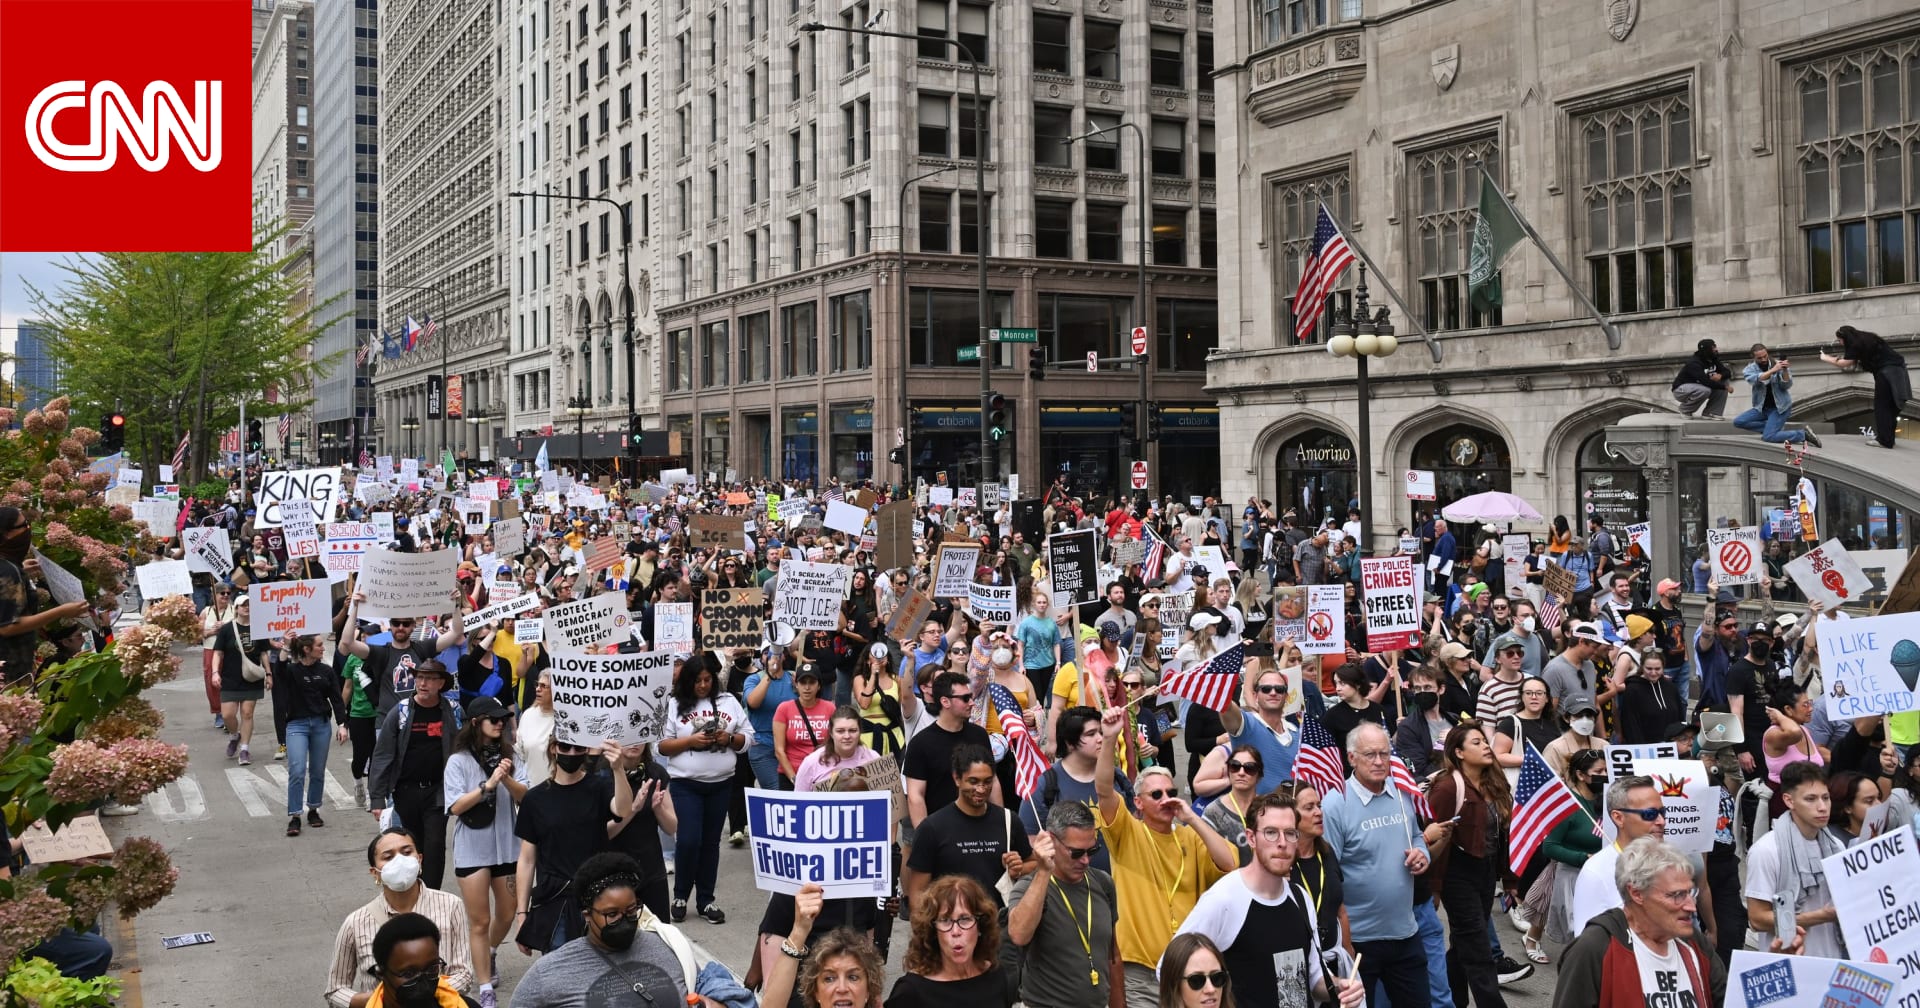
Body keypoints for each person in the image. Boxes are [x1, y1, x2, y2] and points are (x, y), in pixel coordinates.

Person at [1094, 705, 1238, 1008]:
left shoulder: (1189, 835)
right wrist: (1109, 740)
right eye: (1156, 795)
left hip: (1187, 972)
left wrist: (1192, 817)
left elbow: (1230, 864)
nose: (1165, 799)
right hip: (1141, 973)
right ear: (1138, 802)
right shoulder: (1128, 832)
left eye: (1170, 791)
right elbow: (1104, 791)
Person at [1174, 792, 1365, 1008]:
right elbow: (1169, 969)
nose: (1282, 843)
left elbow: (1312, 980)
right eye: (1271, 833)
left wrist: (1340, 987)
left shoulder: (1300, 898)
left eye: (1290, 833)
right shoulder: (1224, 898)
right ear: (1251, 838)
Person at [511, 851, 746, 1008]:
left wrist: (715, 1002)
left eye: (631, 911)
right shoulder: (551, 971)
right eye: (611, 914)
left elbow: (702, 986)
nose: (624, 920)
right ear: (587, 915)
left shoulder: (667, 945)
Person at [1320, 722, 1431, 1008]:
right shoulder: (1335, 803)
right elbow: (1329, 873)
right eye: (1370, 754)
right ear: (1352, 757)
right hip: (1358, 940)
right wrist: (1343, 941)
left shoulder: (1402, 791)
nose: (1380, 761)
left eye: (1385, 753)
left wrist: (1422, 855)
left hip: (1405, 932)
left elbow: (1417, 836)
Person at [1553, 838, 1732, 1008]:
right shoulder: (1594, 948)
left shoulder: (1694, 943)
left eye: (1690, 893)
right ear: (1637, 894)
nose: (1692, 907)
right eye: (1677, 895)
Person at [326, 828, 476, 1008]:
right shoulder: (356, 923)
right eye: (388, 857)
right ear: (375, 873)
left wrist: (422, 992)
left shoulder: (451, 905)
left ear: (419, 859)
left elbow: (463, 973)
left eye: (406, 852)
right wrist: (382, 998)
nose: (399, 861)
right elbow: (335, 990)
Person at [513, 738, 636, 954]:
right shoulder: (534, 799)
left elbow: (624, 809)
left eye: (578, 747)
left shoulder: (599, 787)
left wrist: (618, 769)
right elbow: (526, 859)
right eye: (565, 746)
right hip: (556, 902)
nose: (571, 753)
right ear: (553, 749)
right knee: (560, 974)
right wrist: (522, 913)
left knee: (604, 970)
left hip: (598, 897)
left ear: (586, 750)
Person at [442, 696, 528, 1007]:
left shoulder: (512, 754)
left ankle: (490, 951)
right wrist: (487, 785)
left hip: (507, 845)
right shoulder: (459, 761)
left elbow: (526, 797)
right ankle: (484, 988)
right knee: (479, 920)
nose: (500, 723)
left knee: (507, 912)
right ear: (476, 722)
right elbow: (455, 806)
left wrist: (506, 779)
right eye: (493, 719)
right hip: (473, 849)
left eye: (503, 718)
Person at [1426, 723, 1516, 1008]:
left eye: (1485, 741)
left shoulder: (1495, 781)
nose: (1486, 746)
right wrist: (1436, 888)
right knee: (1478, 946)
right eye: (1476, 743)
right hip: (1456, 871)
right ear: (1459, 752)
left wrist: (1509, 878)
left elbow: (1505, 835)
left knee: (1464, 941)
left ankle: (1453, 1001)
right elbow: (1437, 840)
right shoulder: (1447, 786)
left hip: (1486, 870)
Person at [659, 651, 751, 925]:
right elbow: (662, 746)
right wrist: (690, 742)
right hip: (686, 784)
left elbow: (748, 739)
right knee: (688, 841)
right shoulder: (675, 705)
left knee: (710, 844)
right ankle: (680, 895)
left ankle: (706, 900)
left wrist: (729, 738)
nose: (702, 685)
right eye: (697, 680)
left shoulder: (728, 701)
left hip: (721, 784)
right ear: (688, 681)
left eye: (707, 679)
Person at [1005, 801, 1124, 1008]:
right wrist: (1043, 871)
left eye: (1092, 850)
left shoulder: (1103, 883)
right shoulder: (1029, 887)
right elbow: (1018, 934)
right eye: (1077, 853)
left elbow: (1112, 955)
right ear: (1052, 841)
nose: (1086, 860)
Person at [367, 660, 465, 891]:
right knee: (412, 844)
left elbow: (465, 747)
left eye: (430, 678)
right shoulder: (400, 711)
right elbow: (382, 755)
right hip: (406, 791)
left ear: (441, 683)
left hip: (438, 791)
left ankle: (430, 894)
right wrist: (377, 799)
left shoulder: (453, 710)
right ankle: (413, 890)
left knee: (435, 843)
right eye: (420, 677)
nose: (423, 683)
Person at [904, 743, 1034, 908]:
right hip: (952, 928)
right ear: (957, 778)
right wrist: (923, 931)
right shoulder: (932, 828)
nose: (981, 789)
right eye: (973, 782)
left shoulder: (1009, 820)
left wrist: (1019, 868)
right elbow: (917, 893)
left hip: (998, 927)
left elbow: (1035, 863)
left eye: (987, 782)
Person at [1744, 759, 1845, 957]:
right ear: (1789, 801)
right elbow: (1757, 919)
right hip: (1788, 962)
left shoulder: (1836, 846)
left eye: (1826, 798)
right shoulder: (1766, 850)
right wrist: (1822, 916)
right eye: (1811, 799)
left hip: (1833, 958)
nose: (1822, 807)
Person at [887, 874, 1015, 1008]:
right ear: (933, 930)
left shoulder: (995, 976)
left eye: (965, 919)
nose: (956, 931)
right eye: (945, 921)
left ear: (980, 926)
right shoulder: (911, 991)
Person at [1524, 749, 1605, 961]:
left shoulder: (1606, 802)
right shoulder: (1567, 806)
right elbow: (1549, 847)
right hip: (1569, 873)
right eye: (1599, 771)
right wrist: (1583, 858)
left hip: (1597, 875)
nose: (1605, 775)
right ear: (1581, 775)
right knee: (1566, 920)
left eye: (1607, 770)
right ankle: (1535, 939)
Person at [0, 506, 91, 688]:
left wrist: (21, 571)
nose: (28, 529)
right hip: (10, 671)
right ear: (7, 534)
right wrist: (62, 611)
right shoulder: (8, 570)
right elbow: (8, 626)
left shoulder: (9, 567)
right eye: (24, 525)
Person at [758, 883, 888, 1008]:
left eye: (853, 977)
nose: (842, 989)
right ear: (816, 993)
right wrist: (799, 930)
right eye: (829, 979)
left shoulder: (864, 898)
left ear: (868, 992)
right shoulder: (786, 898)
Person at [273, 632, 350, 836]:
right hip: (296, 725)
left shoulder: (326, 671)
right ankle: (295, 815)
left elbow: (336, 698)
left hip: (320, 725)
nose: (323, 648)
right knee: (297, 769)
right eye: (319, 645)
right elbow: (278, 671)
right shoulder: (291, 671)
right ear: (307, 649)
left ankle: (313, 809)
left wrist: (342, 724)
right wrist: (286, 646)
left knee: (317, 770)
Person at [342, 591, 466, 716]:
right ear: (390, 625)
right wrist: (355, 607)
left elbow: (456, 632)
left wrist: (455, 606)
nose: (401, 627)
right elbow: (347, 641)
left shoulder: (422, 648)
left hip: (417, 720)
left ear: (413, 626)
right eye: (396, 623)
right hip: (387, 721)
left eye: (406, 623)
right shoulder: (380, 652)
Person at [904, 672, 995, 834]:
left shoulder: (979, 735)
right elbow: (915, 796)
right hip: (940, 831)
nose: (972, 703)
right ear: (945, 701)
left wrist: (1000, 826)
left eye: (971, 696)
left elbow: (993, 783)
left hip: (978, 826)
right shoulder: (920, 744)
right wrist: (926, 838)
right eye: (965, 698)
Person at [364, 912, 483, 1008]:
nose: (424, 984)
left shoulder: (464, 1005)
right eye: (409, 973)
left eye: (432, 968)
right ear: (381, 974)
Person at [1820, 325, 1911, 448]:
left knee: (1882, 405)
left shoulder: (1855, 344)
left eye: (1840, 340)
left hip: (1887, 373)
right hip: (1898, 371)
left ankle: (1884, 440)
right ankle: (1888, 438)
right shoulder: (1868, 338)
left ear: (1846, 338)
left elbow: (1845, 363)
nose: (1840, 343)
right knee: (1890, 406)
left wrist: (1825, 358)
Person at [211, 594, 271, 766]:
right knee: (228, 715)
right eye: (243, 605)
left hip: (251, 679)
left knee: (247, 713)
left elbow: (263, 653)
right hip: (230, 678)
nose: (246, 608)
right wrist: (215, 672)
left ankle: (244, 749)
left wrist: (268, 674)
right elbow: (218, 652)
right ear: (236, 608)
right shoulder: (227, 629)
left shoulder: (259, 629)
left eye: (249, 605)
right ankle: (234, 736)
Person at [1735, 342, 1814, 445]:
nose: (1763, 359)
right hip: (1761, 407)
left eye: (1765, 356)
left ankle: (1803, 435)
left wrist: (1784, 370)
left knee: (1768, 437)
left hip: (1780, 408)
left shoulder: (1778, 364)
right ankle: (1772, 429)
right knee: (1738, 421)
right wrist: (1773, 370)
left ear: (1767, 353)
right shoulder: (1749, 369)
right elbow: (1756, 379)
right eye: (1759, 358)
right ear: (1753, 357)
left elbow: (1786, 385)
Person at [775, 661, 837, 784]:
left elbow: (835, 743)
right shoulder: (784, 708)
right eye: (803, 682)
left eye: (812, 682)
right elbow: (779, 750)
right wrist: (795, 779)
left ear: (819, 685)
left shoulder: (830, 708)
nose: (807, 687)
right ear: (796, 684)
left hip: (822, 774)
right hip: (790, 774)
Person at [1616, 651, 1682, 746]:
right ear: (1642, 667)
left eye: (1657, 669)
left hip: (1671, 747)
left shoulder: (1671, 687)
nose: (1653, 673)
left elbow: (1679, 717)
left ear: (1663, 667)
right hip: (1646, 748)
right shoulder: (1632, 690)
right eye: (1649, 669)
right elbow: (1631, 724)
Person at [1671, 338, 1731, 419]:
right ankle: (1684, 410)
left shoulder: (1713, 360)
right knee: (1705, 390)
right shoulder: (1694, 363)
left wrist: (1720, 375)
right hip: (1681, 390)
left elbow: (1727, 372)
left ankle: (1711, 412)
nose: (1716, 349)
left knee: (1724, 381)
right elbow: (1705, 381)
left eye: (1715, 346)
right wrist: (1725, 387)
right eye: (1713, 347)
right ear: (1707, 350)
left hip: (1700, 387)